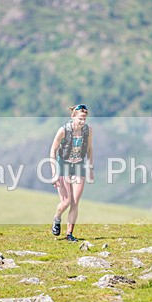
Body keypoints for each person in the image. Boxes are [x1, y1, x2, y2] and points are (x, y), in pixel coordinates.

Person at [49, 104, 94, 242]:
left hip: (79, 165)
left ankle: (69, 234)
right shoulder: (63, 130)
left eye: (84, 119)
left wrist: (90, 168)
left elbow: (89, 149)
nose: (82, 122)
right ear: (73, 116)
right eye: (80, 118)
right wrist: (54, 173)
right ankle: (57, 218)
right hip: (64, 165)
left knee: (75, 202)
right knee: (66, 202)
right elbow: (53, 150)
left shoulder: (88, 131)